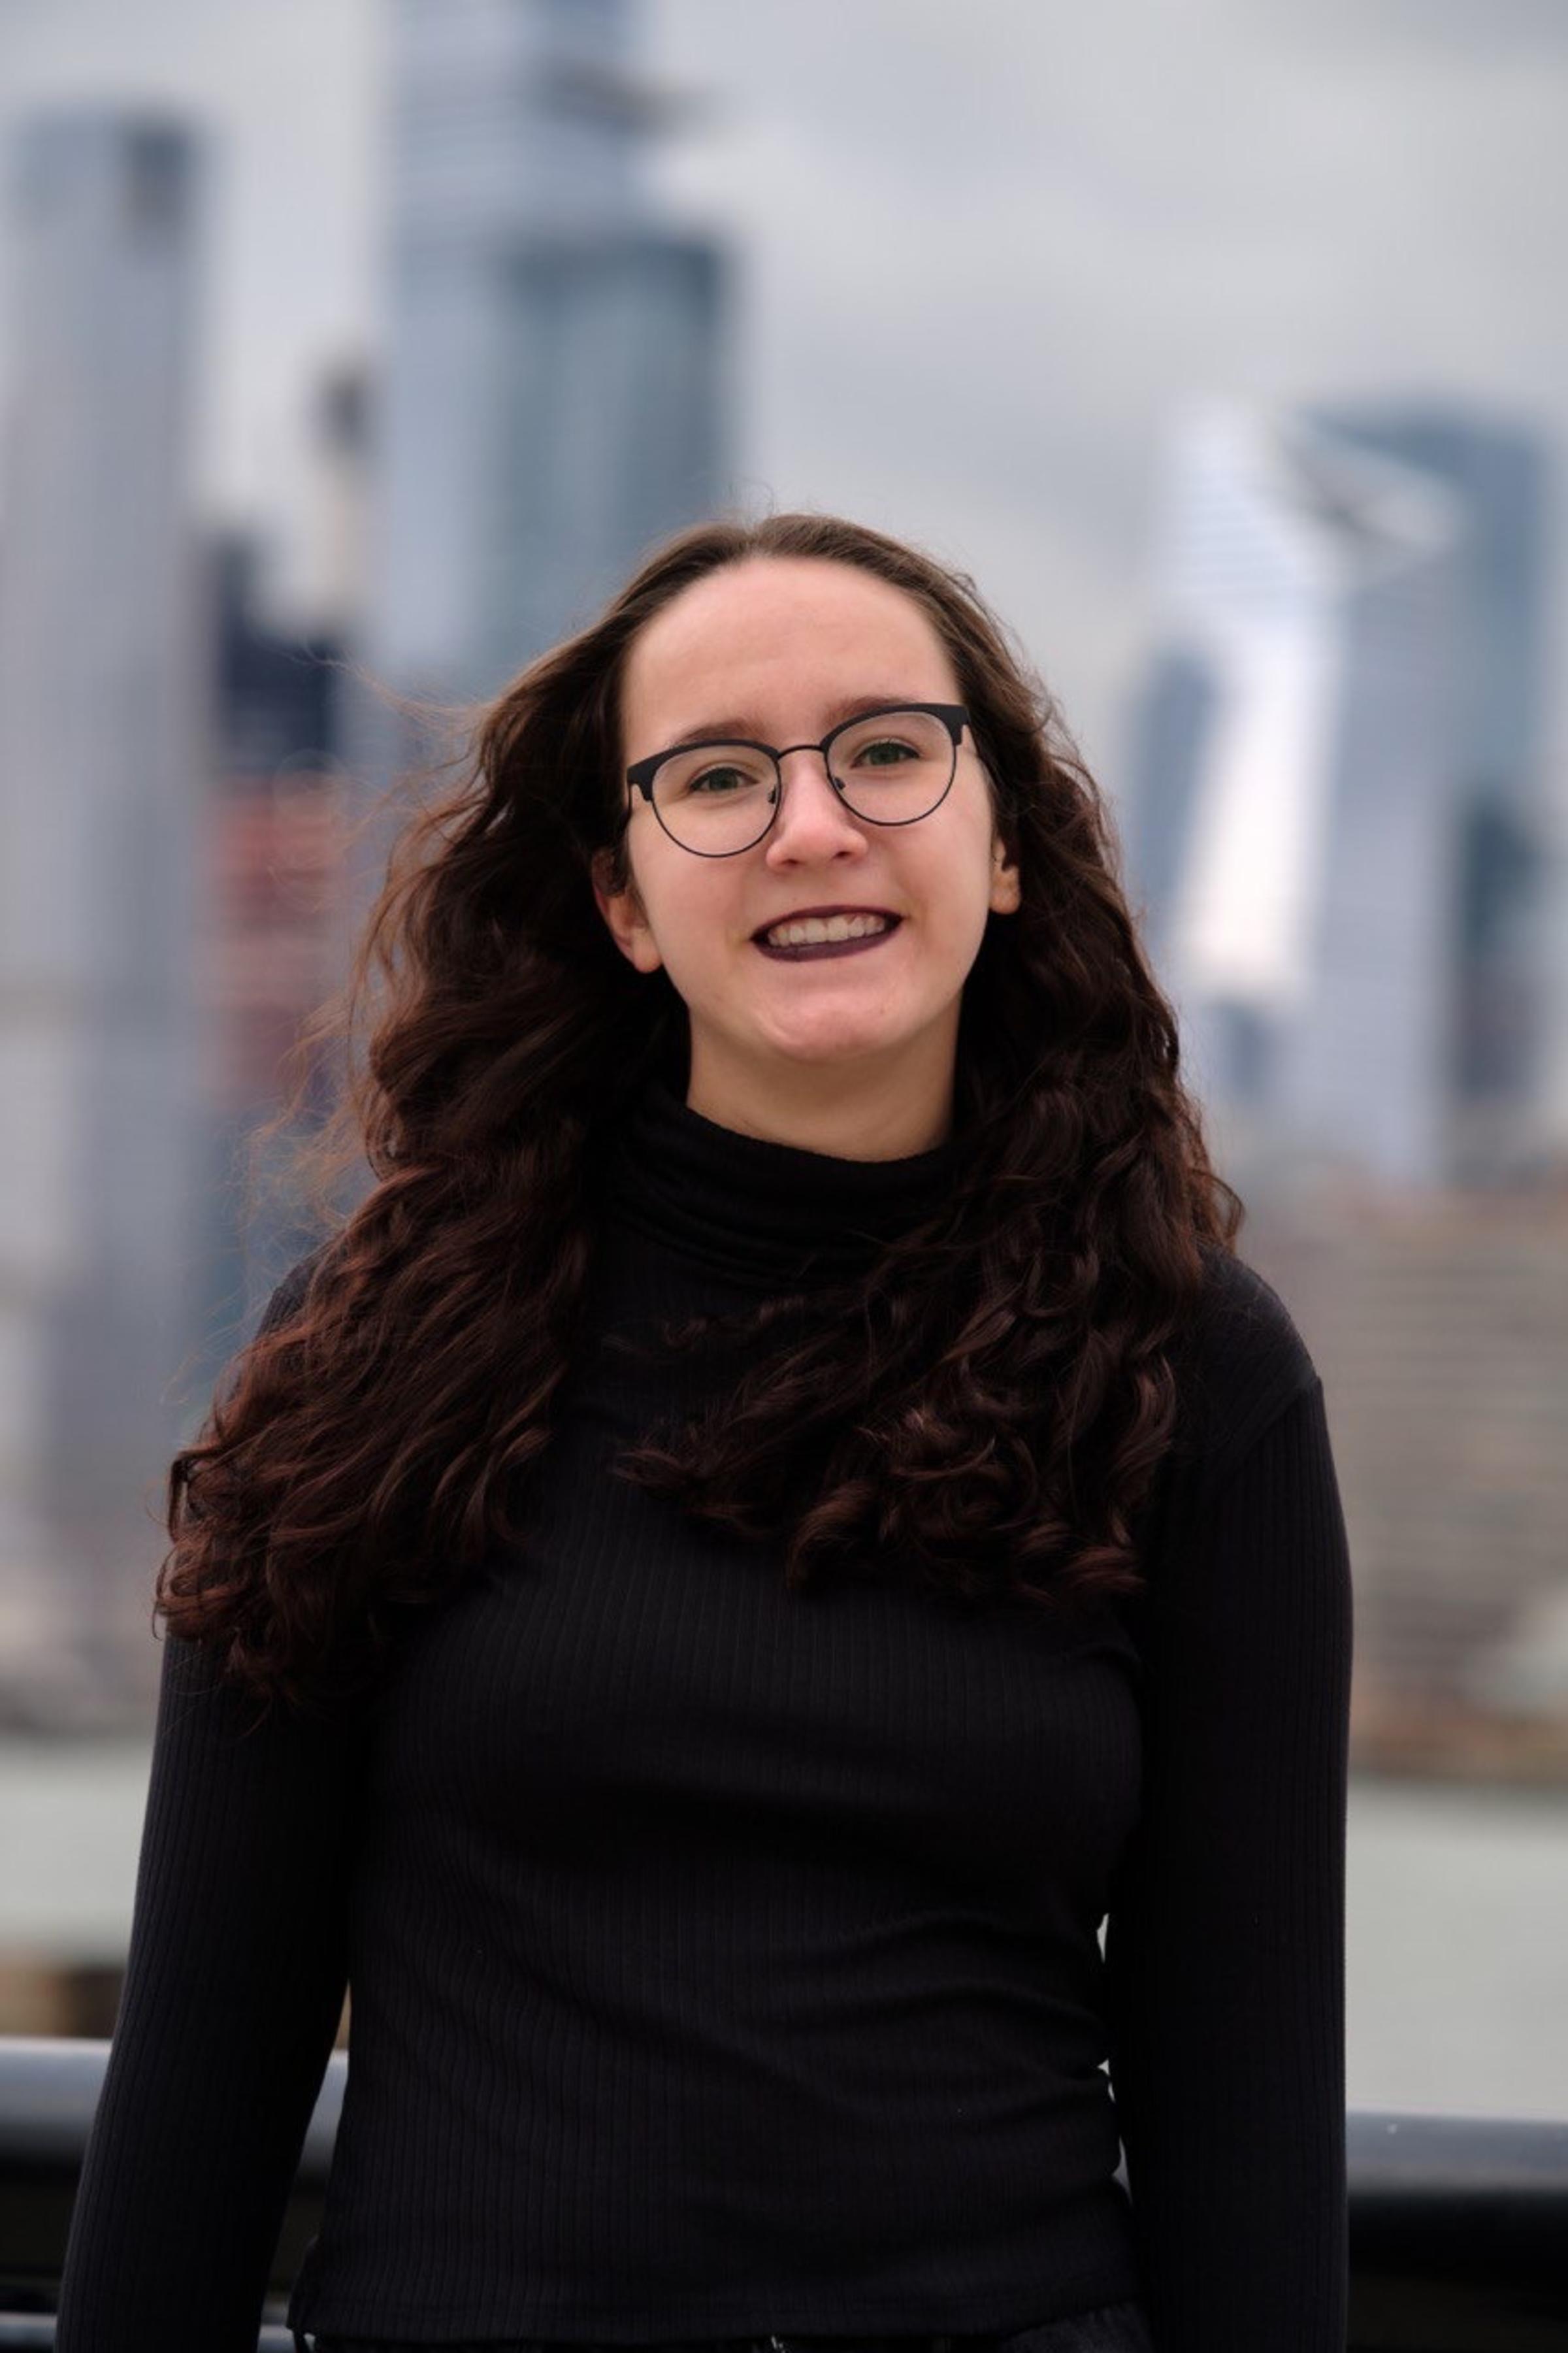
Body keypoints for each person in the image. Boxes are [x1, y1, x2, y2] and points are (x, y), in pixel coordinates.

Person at [54, 512, 1354, 2353]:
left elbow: (1250, 2088)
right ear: (620, 900)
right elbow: (205, 2060)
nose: (813, 823)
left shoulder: (1191, 1370)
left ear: (1001, 849)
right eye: (720, 777)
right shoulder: (377, 1351)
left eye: (890, 751)